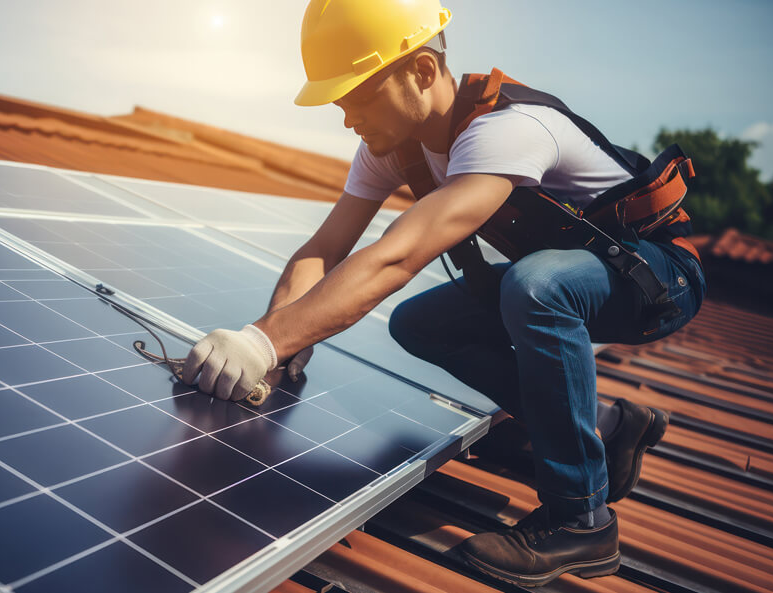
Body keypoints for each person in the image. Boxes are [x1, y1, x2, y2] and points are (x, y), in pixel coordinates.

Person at [180, 0, 705, 586]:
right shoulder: (393, 145)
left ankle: (582, 520)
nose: (347, 118)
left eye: (356, 96)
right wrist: (276, 343)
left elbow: (398, 255)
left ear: (422, 73)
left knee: (533, 288)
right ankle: (610, 425)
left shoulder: (506, 130)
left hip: (657, 279)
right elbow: (324, 249)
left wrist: (263, 342)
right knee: (420, 323)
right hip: (574, 281)